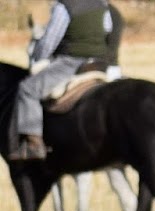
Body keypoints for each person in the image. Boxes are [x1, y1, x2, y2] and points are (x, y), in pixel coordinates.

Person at [10, 0, 115, 162]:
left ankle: (34, 144)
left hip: (71, 62)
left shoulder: (64, 6)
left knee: (27, 89)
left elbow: (50, 40)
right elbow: (108, 30)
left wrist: (38, 58)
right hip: (98, 63)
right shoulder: (101, 3)